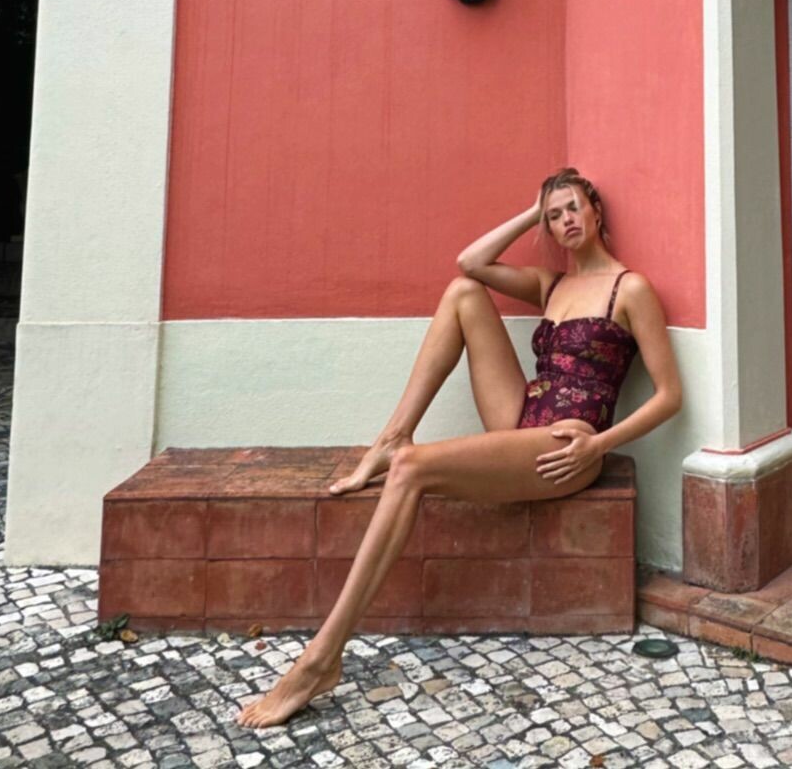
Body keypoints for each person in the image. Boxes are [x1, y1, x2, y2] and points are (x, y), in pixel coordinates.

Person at [234, 168, 682, 728]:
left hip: (566, 446)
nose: (565, 220)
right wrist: (532, 211)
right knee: (463, 293)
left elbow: (670, 395)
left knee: (411, 469)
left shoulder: (630, 289)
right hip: (522, 416)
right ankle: (393, 434)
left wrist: (600, 446)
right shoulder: (552, 284)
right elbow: (471, 262)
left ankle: (320, 659)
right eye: (553, 215)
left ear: (595, 210)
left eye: (572, 207)